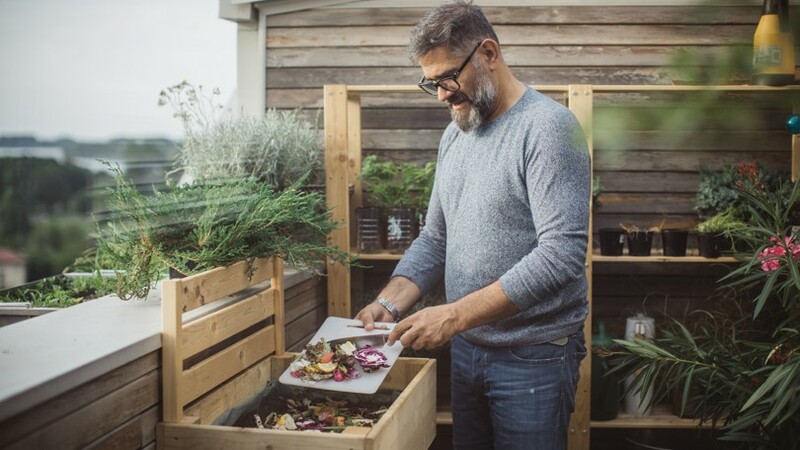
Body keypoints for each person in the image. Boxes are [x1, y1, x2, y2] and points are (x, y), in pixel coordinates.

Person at [354, 1, 591, 449]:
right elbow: (437, 237)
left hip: (532, 356)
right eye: (432, 83)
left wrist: (455, 313)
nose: (441, 94)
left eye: (448, 78)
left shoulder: (549, 128)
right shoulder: (456, 134)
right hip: (467, 348)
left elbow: (561, 255)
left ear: (488, 53)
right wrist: (391, 300)